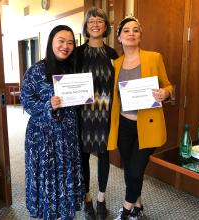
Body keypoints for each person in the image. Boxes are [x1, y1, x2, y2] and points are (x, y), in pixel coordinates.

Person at [107, 16, 173, 220]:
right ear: (119, 37)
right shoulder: (115, 64)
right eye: (126, 30)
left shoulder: (154, 57)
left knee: (135, 171)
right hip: (124, 125)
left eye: (135, 30)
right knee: (130, 169)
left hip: (148, 124)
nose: (131, 33)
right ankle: (138, 206)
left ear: (140, 35)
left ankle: (125, 210)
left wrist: (166, 93)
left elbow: (168, 85)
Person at [20, 25, 84, 220]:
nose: (66, 46)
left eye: (70, 42)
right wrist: (48, 105)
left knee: (66, 175)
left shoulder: (74, 70)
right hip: (43, 136)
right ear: (51, 42)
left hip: (67, 135)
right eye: (61, 41)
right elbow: (26, 101)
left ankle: (65, 214)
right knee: (46, 177)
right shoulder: (36, 70)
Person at [75, 7, 118, 220]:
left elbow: (119, 84)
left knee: (104, 155)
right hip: (83, 114)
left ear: (105, 26)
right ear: (86, 26)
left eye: (99, 20)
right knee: (82, 157)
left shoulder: (112, 54)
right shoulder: (78, 53)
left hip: (105, 114)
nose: (95, 24)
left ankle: (101, 198)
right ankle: (87, 199)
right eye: (91, 20)